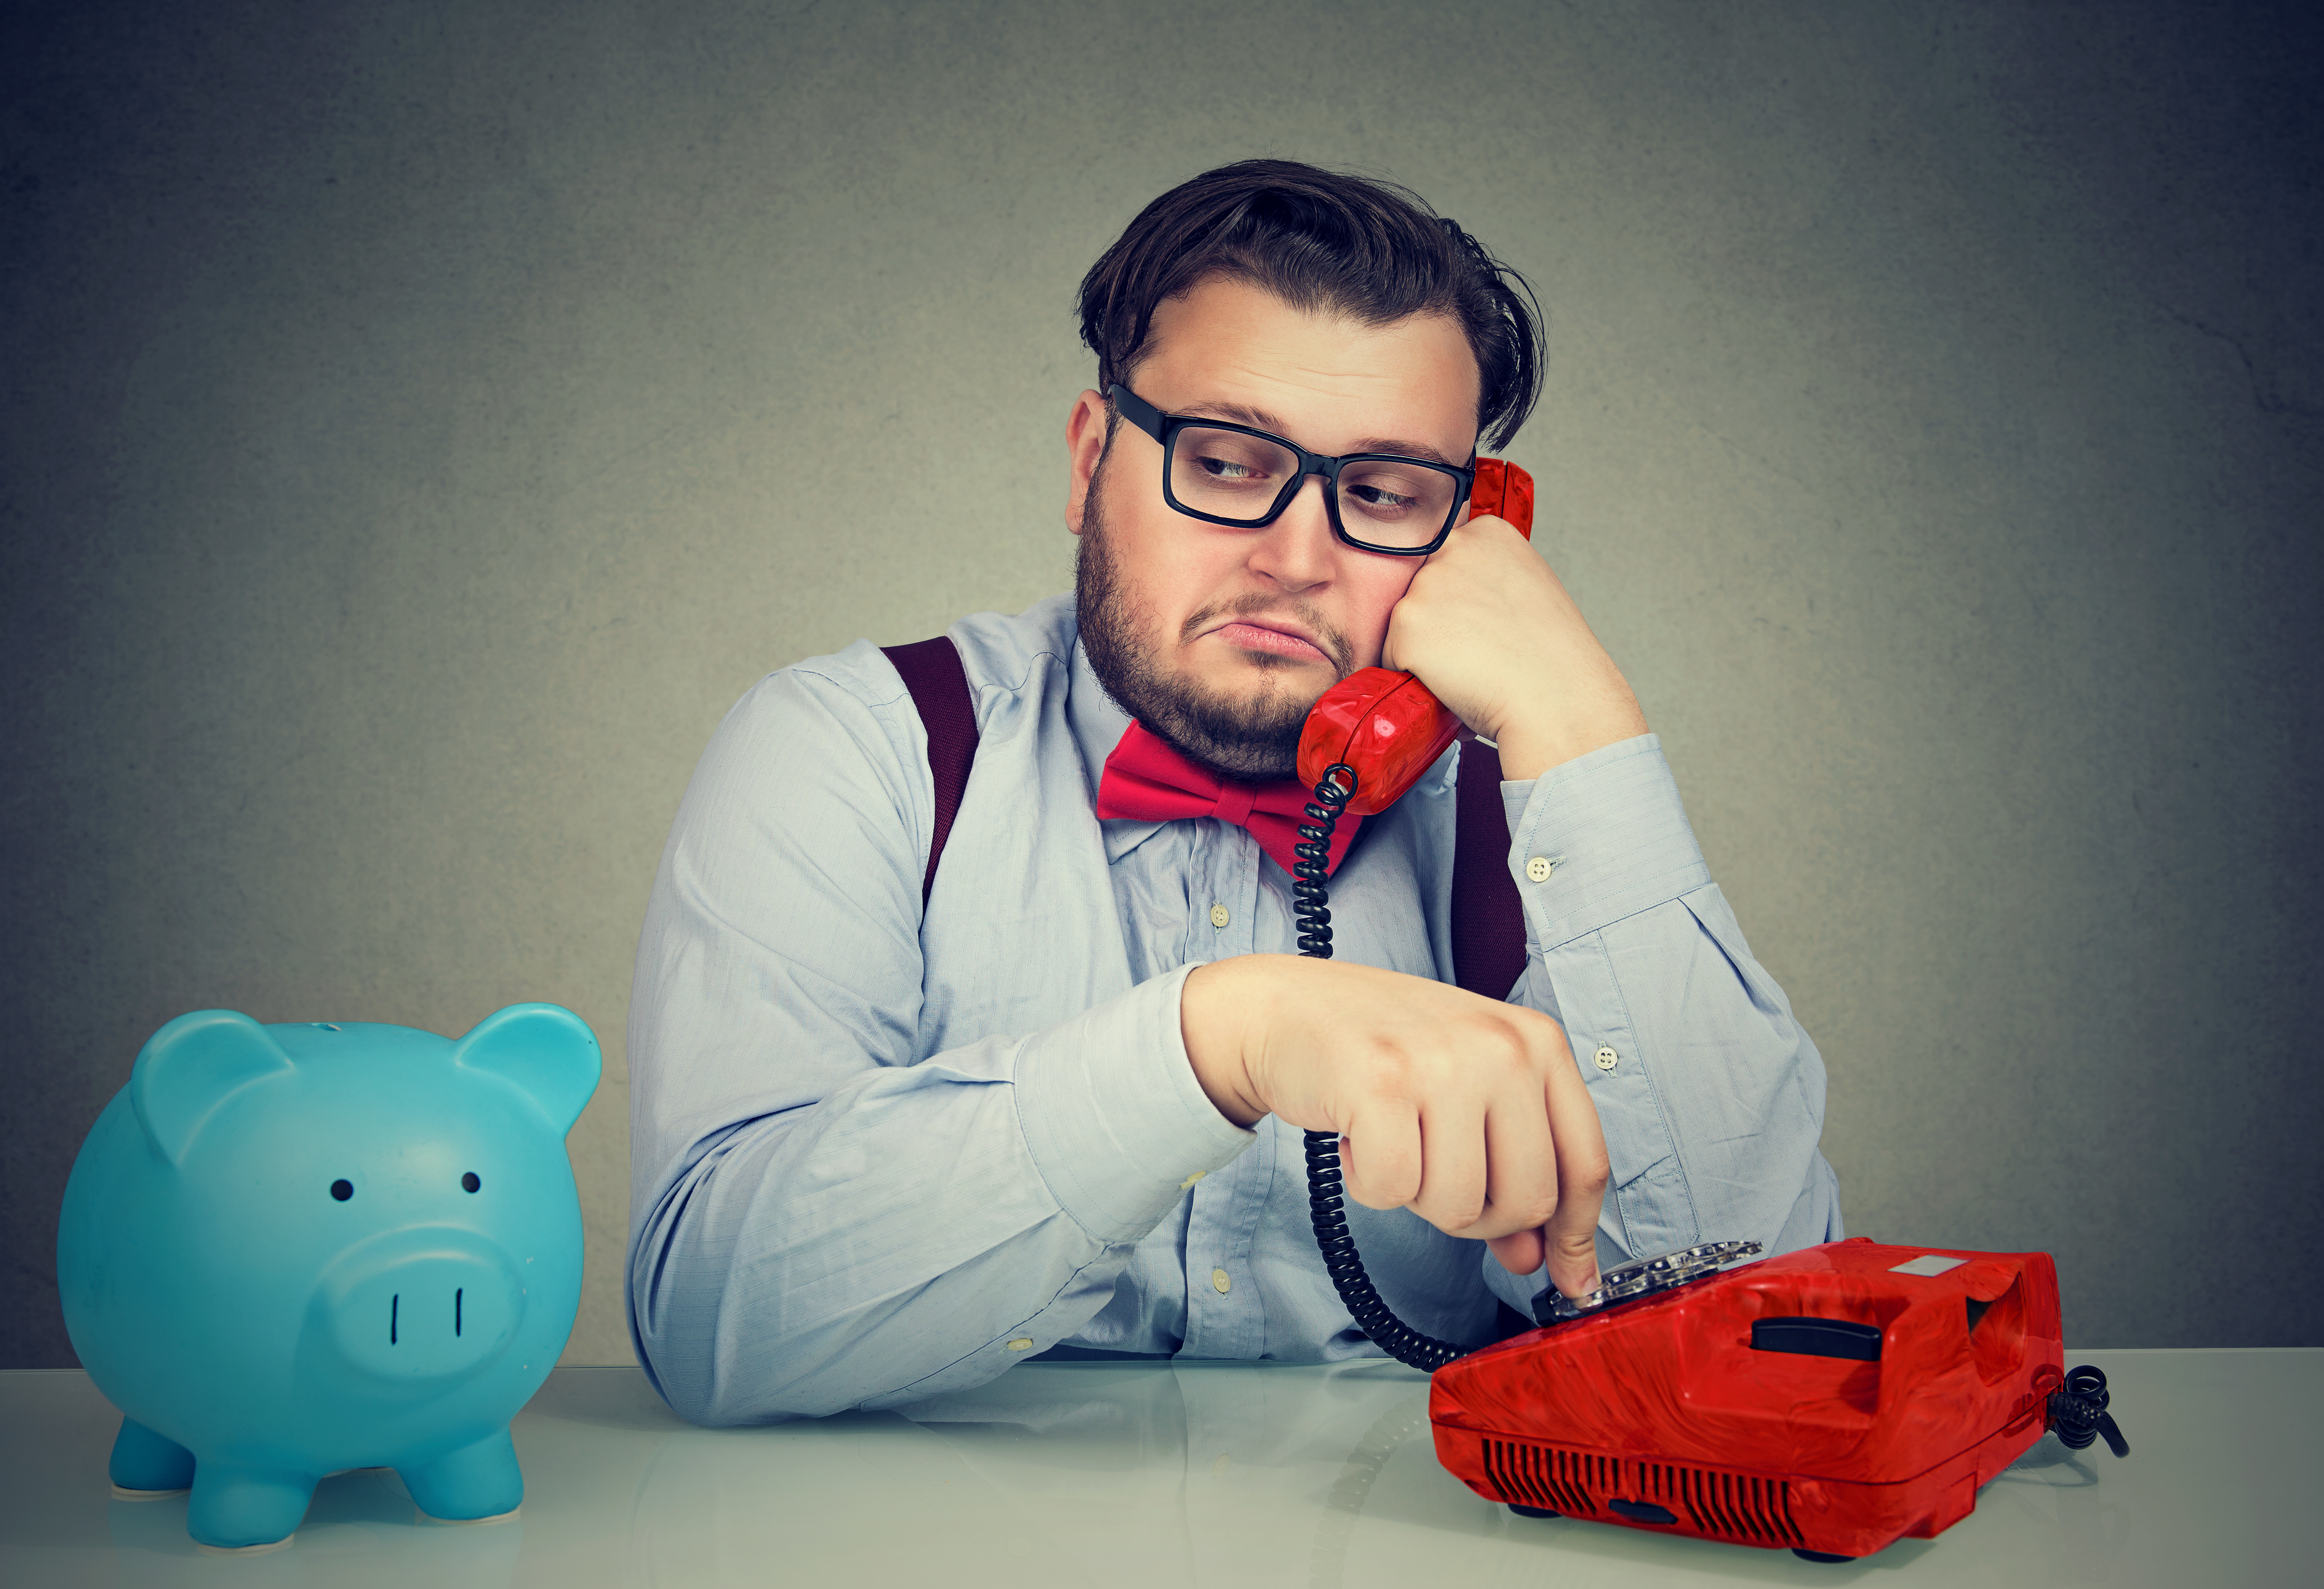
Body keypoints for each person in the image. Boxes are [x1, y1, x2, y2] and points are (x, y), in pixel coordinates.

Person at [625, 160, 1842, 1424]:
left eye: (1383, 493)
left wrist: (1584, 733)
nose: (1297, 558)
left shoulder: (1534, 829)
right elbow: (711, 1319)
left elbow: (1774, 1364)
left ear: (1474, 529)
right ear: (1091, 458)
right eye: (1223, 463)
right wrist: (1217, 1042)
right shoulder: (858, 747)